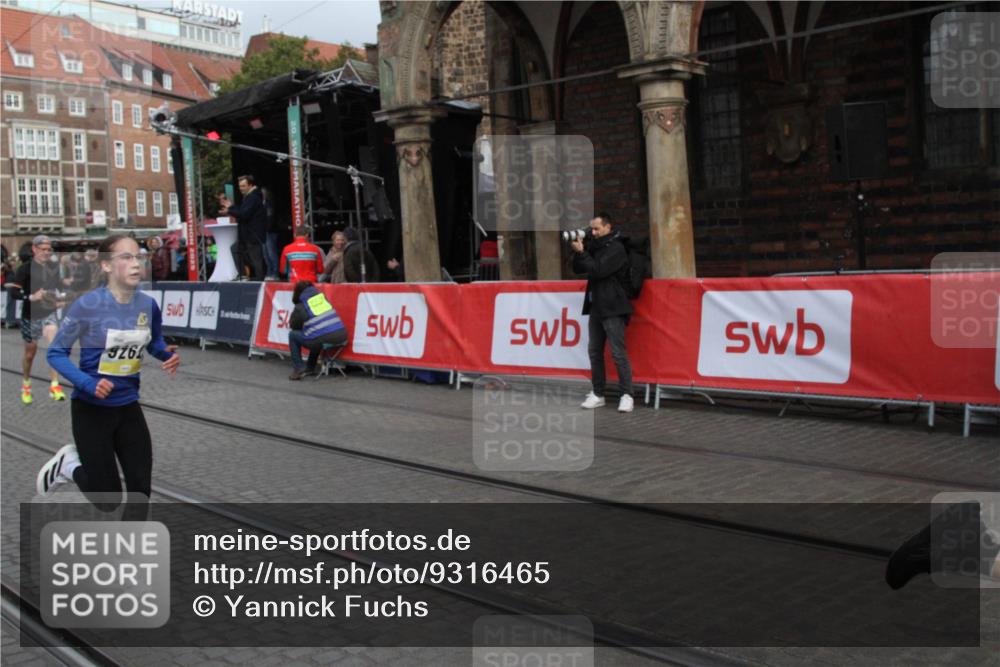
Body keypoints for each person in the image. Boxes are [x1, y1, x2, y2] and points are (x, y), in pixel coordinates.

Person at [36, 234, 180, 503]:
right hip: (91, 410)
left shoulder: (148, 305)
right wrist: (88, 383)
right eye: (126, 257)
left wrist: (165, 355)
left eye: (139, 256)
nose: (136, 263)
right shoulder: (87, 306)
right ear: (106, 266)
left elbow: (154, 341)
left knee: (140, 492)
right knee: (108, 501)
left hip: (128, 406)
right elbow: (56, 353)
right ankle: (69, 465)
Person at [571, 213, 635, 413]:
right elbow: (577, 268)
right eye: (592, 229)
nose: (594, 232)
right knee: (594, 351)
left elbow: (598, 270)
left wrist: (584, 254)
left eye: (597, 229)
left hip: (614, 306)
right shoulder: (594, 247)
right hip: (596, 305)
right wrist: (578, 251)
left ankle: (627, 395)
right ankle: (598, 393)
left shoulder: (616, 248)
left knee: (618, 353)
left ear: (608, 227)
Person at [9, 235, 68, 404]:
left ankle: (55, 386)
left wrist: (61, 298)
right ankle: (26, 384)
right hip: (30, 315)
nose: (47, 253)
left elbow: (59, 287)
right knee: (30, 353)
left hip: (48, 313)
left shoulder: (53, 267)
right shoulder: (24, 269)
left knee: (54, 348)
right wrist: (31, 297)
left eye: (49, 250)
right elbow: (14, 292)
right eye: (43, 249)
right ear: (34, 249)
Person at [287, 280, 347, 380]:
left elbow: (294, 325)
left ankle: (298, 368)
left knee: (293, 335)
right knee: (315, 333)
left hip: (324, 337)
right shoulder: (323, 299)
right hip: (342, 335)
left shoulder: (301, 305)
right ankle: (310, 367)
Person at [219, 175, 266, 280]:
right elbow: (241, 212)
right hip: (246, 234)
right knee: (236, 249)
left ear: (250, 185)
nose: (241, 188)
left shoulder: (253, 197)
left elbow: (244, 214)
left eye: (243, 186)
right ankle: (244, 274)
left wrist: (229, 210)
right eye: (240, 186)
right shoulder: (249, 197)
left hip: (253, 234)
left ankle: (259, 280)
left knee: (256, 259)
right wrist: (231, 207)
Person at [261, 186, 281, 280]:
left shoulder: (270, 204)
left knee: (271, 252)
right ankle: (269, 272)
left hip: (270, 231)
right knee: (265, 254)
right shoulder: (261, 204)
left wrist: (267, 229)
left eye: (263, 192)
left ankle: (275, 273)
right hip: (263, 231)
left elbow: (270, 218)